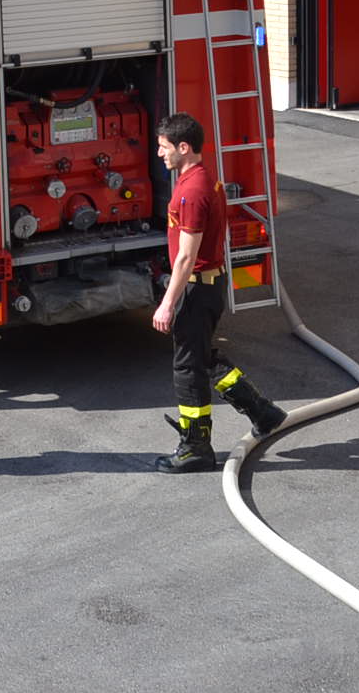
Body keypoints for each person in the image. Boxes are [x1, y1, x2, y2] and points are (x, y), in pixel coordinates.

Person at [150, 113, 287, 473]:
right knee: (202, 358)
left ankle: (196, 447)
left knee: (188, 369)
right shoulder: (201, 179)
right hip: (208, 286)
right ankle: (262, 411)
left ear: (184, 147)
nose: (159, 153)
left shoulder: (193, 191)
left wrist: (167, 304)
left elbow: (186, 256)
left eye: (164, 147)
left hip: (197, 288)